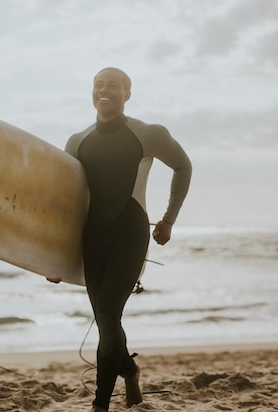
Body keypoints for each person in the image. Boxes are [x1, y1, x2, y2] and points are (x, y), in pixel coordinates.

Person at [64, 68, 192, 411]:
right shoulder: (77, 141)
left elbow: (183, 166)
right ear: (92, 91)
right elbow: (68, 200)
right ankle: (131, 371)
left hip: (130, 233)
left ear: (127, 94)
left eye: (114, 86)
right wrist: (53, 255)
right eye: (98, 85)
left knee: (106, 316)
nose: (105, 90)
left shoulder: (147, 133)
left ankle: (100, 404)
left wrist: (168, 220)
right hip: (92, 237)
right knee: (108, 320)